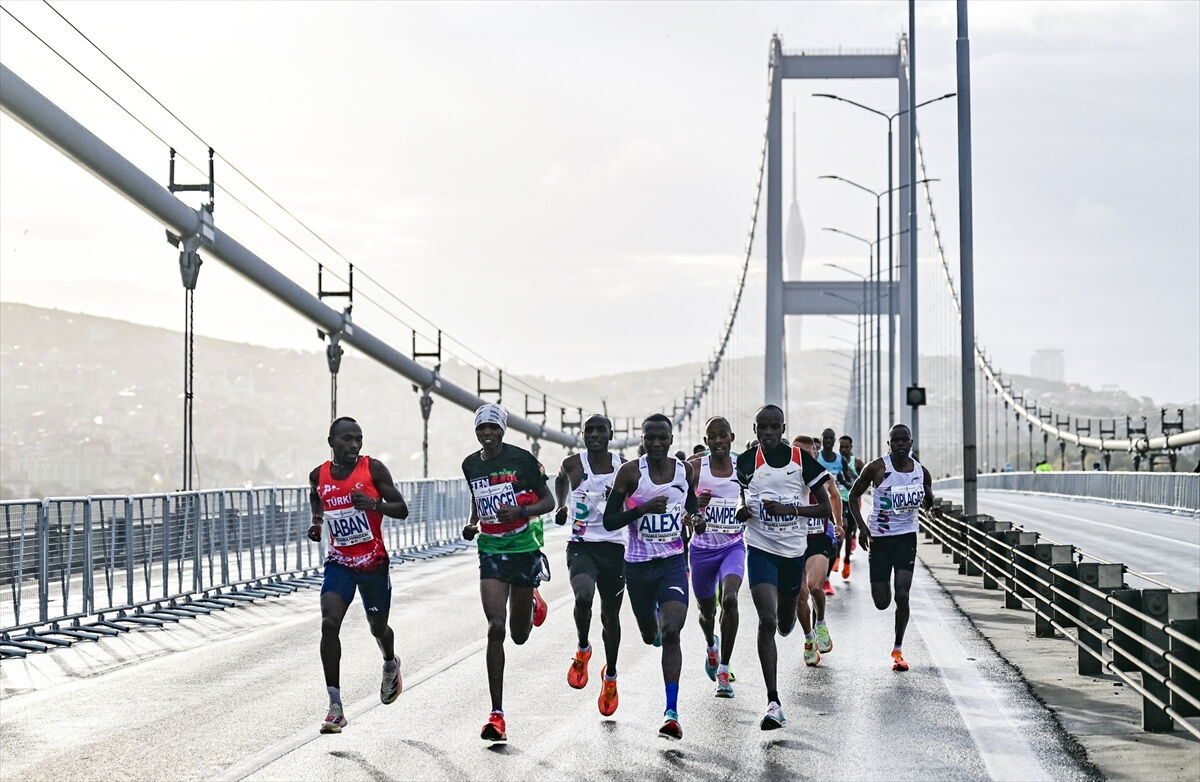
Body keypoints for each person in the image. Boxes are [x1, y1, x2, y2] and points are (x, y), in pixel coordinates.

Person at [308, 416, 410, 734]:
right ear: (331, 442)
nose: (354, 445)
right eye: (347, 439)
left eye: (359, 439)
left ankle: (390, 662)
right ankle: (335, 707)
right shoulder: (319, 475)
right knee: (329, 624)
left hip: (373, 564)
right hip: (339, 562)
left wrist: (374, 505)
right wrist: (317, 520)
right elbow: (316, 493)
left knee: (378, 627)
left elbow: (402, 509)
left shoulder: (373, 469)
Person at [603, 414, 702, 740]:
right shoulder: (630, 472)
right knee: (650, 635)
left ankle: (671, 712)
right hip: (638, 567)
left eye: (663, 438)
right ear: (642, 440)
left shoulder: (684, 471)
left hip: (673, 562)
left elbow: (690, 504)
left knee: (672, 631)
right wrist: (642, 509)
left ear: (671, 440)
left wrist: (696, 518)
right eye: (650, 438)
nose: (657, 444)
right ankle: (652, 628)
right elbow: (609, 520)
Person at [461, 404, 556, 742]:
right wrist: (472, 523)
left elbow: (549, 501)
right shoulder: (470, 464)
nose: (487, 433)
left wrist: (520, 511)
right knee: (495, 628)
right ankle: (496, 714)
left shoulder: (523, 460)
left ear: (502, 430)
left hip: (523, 548)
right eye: (482, 428)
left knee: (519, 635)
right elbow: (478, 498)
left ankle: (531, 601)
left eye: (493, 428)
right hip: (490, 549)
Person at [736, 405, 832, 730]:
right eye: (761, 428)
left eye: (773, 427)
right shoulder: (746, 461)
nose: (767, 433)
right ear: (754, 430)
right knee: (766, 619)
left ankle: (796, 624)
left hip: (793, 553)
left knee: (786, 624)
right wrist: (741, 509)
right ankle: (773, 702)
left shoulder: (801, 460)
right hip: (760, 548)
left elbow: (825, 508)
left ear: (782, 428)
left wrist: (790, 509)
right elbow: (741, 495)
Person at [847, 423, 940, 673]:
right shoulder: (876, 468)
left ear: (911, 443)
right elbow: (853, 496)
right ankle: (886, 602)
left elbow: (928, 502)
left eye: (904, 440)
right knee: (882, 602)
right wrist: (862, 528)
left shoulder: (921, 472)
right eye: (895, 441)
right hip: (880, 539)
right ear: (888, 444)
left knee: (902, 594)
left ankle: (898, 650)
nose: (900, 444)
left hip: (906, 538)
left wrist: (933, 510)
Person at [554, 414, 625, 716]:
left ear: (610, 434)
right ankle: (583, 649)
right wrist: (561, 504)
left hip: (614, 548)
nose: (595, 435)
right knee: (583, 596)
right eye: (590, 430)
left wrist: (620, 500)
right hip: (581, 546)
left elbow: (636, 500)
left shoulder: (624, 468)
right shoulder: (572, 464)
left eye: (601, 430)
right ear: (582, 434)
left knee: (610, 617)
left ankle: (611, 676)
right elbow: (560, 479)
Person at [687, 416, 745, 698]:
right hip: (701, 550)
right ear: (706, 440)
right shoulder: (695, 468)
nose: (719, 441)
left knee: (730, 600)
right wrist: (695, 513)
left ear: (731, 437)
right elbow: (681, 508)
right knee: (707, 613)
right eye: (713, 436)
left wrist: (745, 508)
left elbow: (749, 497)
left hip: (733, 546)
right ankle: (712, 645)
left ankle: (723, 670)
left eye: (723, 435)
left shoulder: (742, 467)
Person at [792, 434, 842, 659]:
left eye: (806, 453)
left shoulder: (824, 475)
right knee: (800, 596)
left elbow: (835, 496)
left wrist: (838, 523)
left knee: (814, 587)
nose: (802, 457)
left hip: (818, 537)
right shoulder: (784, 476)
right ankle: (809, 639)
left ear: (815, 453)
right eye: (797, 452)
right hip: (793, 540)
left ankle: (820, 621)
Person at [832, 435, 865, 580]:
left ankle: (846, 561)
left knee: (849, 532)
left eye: (846, 447)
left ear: (851, 447)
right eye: (841, 447)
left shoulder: (857, 462)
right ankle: (837, 558)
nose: (844, 449)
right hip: (838, 501)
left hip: (852, 501)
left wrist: (850, 476)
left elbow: (865, 482)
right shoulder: (836, 461)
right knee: (840, 529)